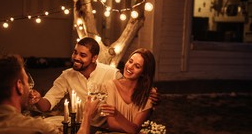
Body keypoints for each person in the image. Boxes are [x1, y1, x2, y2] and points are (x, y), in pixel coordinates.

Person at [30, 37, 159, 128]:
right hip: (76, 128)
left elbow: (130, 89)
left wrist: (150, 93)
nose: (76, 57)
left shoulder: (111, 74)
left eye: (82, 55)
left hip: (103, 131)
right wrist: (37, 99)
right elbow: (46, 106)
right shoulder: (67, 76)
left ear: (94, 58)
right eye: (75, 53)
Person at [100, 48, 156, 134]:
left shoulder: (149, 93)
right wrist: (131, 128)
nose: (130, 67)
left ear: (143, 73)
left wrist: (117, 114)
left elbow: (134, 130)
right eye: (130, 61)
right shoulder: (111, 86)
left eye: (137, 66)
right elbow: (112, 125)